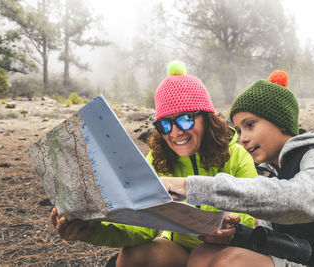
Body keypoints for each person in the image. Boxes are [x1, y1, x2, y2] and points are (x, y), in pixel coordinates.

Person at [162, 70, 314, 267]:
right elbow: (292, 245)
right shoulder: (277, 171)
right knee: (205, 253)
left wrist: (189, 186)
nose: (243, 139)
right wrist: (237, 234)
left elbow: (297, 200)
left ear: (281, 122)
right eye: (239, 131)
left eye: (250, 125)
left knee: (229, 262)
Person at [50, 60, 258, 267]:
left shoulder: (237, 156)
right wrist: (92, 230)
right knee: (135, 255)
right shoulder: (158, 160)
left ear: (207, 118)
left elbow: (251, 214)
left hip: (226, 252)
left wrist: (231, 231)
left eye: (186, 119)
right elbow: (142, 227)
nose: (176, 132)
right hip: (178, 250)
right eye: (165, 124)